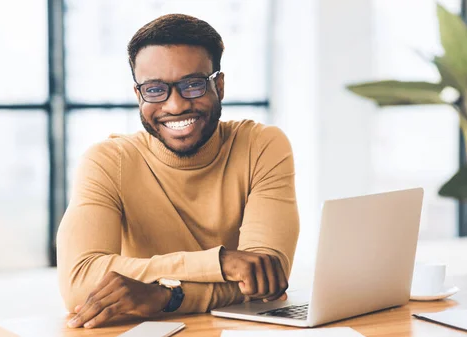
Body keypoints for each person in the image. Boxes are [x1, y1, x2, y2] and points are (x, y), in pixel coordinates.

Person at [57, 13, 299, 329]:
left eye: (193, 85)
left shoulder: (262, 146)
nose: (175, 106)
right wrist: (221, 263)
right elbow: (79, 284)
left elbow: (265, 281)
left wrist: (165, 297)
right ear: (138, 96)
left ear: (220, 86)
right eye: (155, 89)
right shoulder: (108, 161)